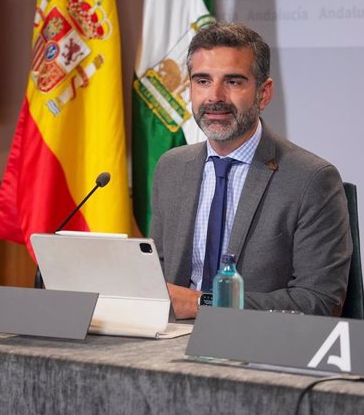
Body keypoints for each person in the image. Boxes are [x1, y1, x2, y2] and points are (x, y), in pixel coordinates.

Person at [150, 22, 352, 319]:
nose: (215, 96)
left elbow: (319, 302)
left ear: (264, 93)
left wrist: (200, 303)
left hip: (260, 350)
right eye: (202, 81)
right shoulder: (171, 168)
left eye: (233, 82)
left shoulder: (311, 179)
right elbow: (160, 282)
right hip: (167, 346)